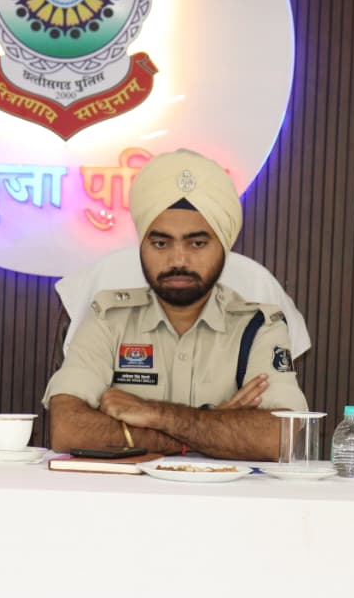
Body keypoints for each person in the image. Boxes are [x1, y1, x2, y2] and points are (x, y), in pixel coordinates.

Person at [44, 148, 308, 460]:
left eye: (197, 243)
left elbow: (280, 436)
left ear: (224, 248)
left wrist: (154, 414)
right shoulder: (109, 318)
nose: (178, 260)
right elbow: (68, 429)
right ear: (142, 247)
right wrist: (213, 424)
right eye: (160, 243)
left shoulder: (259, 327)